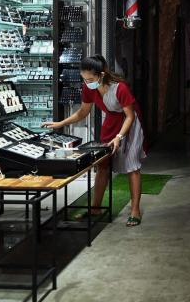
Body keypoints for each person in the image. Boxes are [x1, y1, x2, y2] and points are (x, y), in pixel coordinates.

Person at [43, 55, 146, 227]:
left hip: (130, 125)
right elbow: (82, 112)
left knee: (131, 165)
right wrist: (60, 123)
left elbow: (130, 115)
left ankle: (135, 209)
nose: (87, 82)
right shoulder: (89, 87)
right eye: (84, 79)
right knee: (102, 163)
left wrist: (119, 137)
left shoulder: (120, 88)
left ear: (102, 74)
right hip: (111, 122)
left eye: (90, 79)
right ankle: (95, 207)